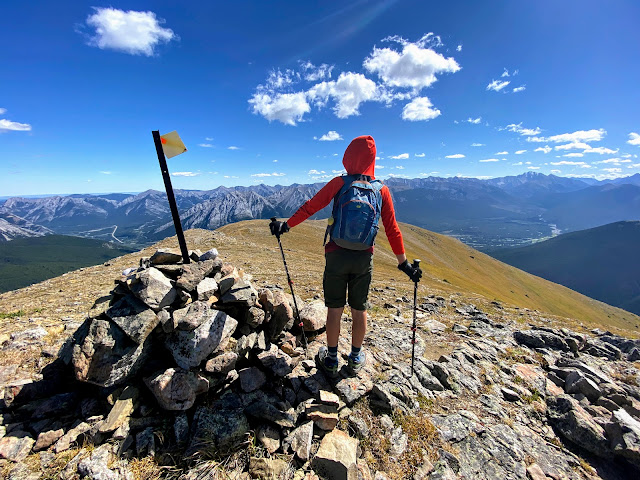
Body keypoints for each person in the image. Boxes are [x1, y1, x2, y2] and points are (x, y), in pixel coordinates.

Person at [269, 135, 422, 377]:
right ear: (372, 159)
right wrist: (404, 265)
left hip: (336, 255)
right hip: (363, 259)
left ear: (348, 156)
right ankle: (355, 357)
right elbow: (393, 229)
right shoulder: (381, 190)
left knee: (334, 309)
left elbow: (311, 206)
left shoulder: (339, 183)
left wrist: (286, 226)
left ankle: (331, 359)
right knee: (359, 310)